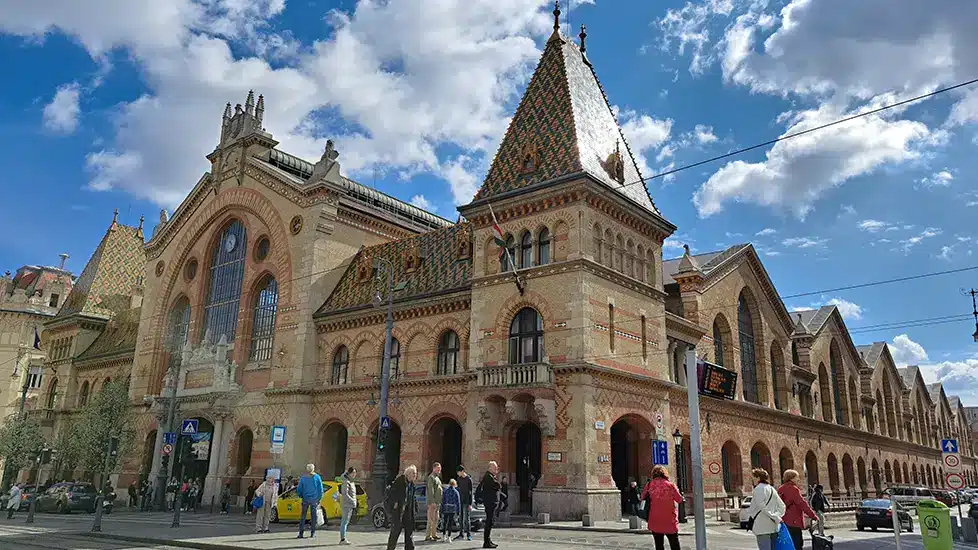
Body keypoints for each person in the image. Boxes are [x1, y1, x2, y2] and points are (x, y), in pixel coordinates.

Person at [642, 466, 683, 550]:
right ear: (665, 474)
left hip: (655, 520)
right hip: (669, 520)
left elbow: (642, 497)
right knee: (674, 544)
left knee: (659, 545)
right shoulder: (670, 485)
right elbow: (679, 499)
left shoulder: (649, 485)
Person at [744, 468, 786, 550]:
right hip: (774, 526)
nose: (752, 480)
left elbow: (762, 507)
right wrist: (778, 516)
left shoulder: (758, 489)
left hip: (762, 526)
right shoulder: (771, 488)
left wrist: (774, 516)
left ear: (758, 478)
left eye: (753, 477)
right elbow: (782, 506)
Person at [778, 470, 818, 550]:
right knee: (797, 544)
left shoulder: (780, 489)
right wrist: (813, 516)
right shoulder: (794, 489)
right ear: (791, 478)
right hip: (794, 521)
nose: (798, 479)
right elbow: (802, 504)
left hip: (783, 520)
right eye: (797, 477)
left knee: (787, 544)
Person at [386, 465, 419, 550]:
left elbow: (412, 497)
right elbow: (392, 493)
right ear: (408, 474)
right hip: (399, 510)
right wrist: (395, 503)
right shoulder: (399, 481)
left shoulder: (412, 484)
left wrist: (415, 508)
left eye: (415, 474)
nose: (415, 475)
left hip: (407, 511)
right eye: (414, 474)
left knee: (409, 532)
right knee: (395, 532)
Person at [297, 463, 324, 539]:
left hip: (305, 499)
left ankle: (301, 533)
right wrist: (319, 499)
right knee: (313, 517)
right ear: (313, 469)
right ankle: (312, 533)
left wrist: (301, 495)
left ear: (307, 469)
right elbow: (320, 490)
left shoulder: (303, 478)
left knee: (303, 517)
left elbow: (299, 489)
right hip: (314, 500)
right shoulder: (317, 477)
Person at [480, 461, 501, 549]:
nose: (496, 469)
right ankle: (486, 542)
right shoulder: (488, 477)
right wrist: (496, 481)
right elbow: (498, 485)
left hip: (490, 502)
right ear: (490, 468)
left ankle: (488, 540)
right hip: (489, 502)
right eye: (495, 468)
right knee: (489, 522)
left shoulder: (490, 477)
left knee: (490, 522)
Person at [454, 465, 474, 541]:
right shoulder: (459, 479)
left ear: (462, 471)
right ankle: (461, 534)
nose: (457, 474)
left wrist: (470, 504)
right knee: (461, 518)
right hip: (460, 501)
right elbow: (458, 489)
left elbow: (471, 492)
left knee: (467, 518)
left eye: (458, 472)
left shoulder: (469, 479)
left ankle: (469, 534)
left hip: (466, 501)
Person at [426, 463, 444, 541]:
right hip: (432, 503)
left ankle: (434, 534)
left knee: (436, 519)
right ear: (434, 468)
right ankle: (428, 535)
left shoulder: (437, 478)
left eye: (440, 468)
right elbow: (431, 490)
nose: (439, 470)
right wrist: (432, 501)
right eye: (438, 468)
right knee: (431, 519)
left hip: (437, 502)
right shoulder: (431, 477)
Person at [340, 467, 358, 545]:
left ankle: (343, 538)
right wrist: (353, 501)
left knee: (346, 521)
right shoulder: (346, 482)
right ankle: (343, 539)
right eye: (353, 473)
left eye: (355, 473)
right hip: (347, 504)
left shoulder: (350, 481)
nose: (354, 474)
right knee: (344, 522)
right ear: (349, 473)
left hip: (349, 504)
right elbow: (345, 494)